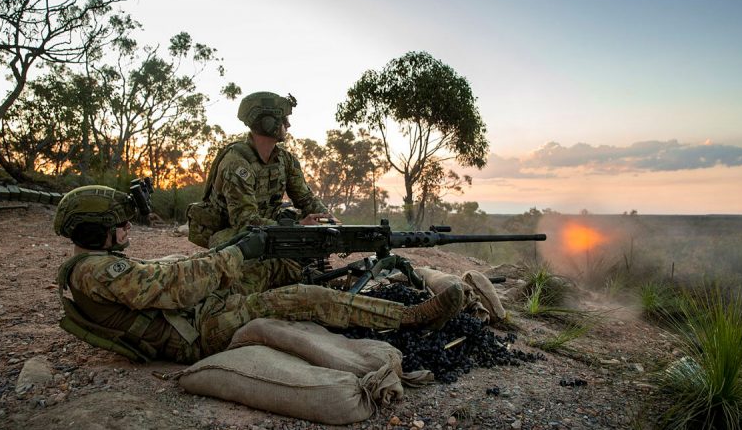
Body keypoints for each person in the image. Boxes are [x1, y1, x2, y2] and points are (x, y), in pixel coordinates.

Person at [54, 185, 464, 364]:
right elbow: (176, 288)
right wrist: (235, 253)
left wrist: (248, 254)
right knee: (302, 297)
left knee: (277, 264)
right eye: (119, 224)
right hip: (198, 333)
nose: (127, 230)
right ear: (96, 229)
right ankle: (411, 318)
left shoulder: (95, 266)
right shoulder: (97, 272)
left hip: (195, 313)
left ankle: (345, 301)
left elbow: (168, 276)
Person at [187, 91, 337, 293]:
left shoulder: (285, 160)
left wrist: (328, 220)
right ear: (267, 122)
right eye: (284, 119)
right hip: (234, 233)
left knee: (304, 226)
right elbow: (245, 220)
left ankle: (304, 272)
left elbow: (305, 198)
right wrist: (296, 228)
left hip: (269, 227)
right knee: (247, 259)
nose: (289, 125)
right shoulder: (236, 164)